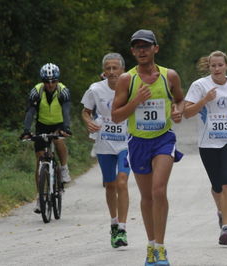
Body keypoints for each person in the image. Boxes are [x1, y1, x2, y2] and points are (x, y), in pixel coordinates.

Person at [111, 29, 184, 266]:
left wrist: (178, 110)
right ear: (132, 52)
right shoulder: (127, 79)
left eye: (146, 46)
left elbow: (180, 99)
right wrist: (136, 102)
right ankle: (151, 244)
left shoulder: (169, 76)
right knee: (146, 197)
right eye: (137, 47)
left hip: (163, 138)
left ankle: (161, 249)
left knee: (159, 191)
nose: (142, 51)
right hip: (138, 142)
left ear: (156, 48)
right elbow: (115, 116)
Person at [184, 50, 227, 246]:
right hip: (208, 143)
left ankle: (226, 227)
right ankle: (221, 211)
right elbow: (187, 113)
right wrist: (204, 100)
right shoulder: (200, 85)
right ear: (209, 67)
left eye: (220, 65)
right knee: (216, 186)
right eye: (213, 65)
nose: (216, 68)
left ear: (226, 66)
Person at [81, 53, 130, 248]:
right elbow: (85, 111)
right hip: (104, 142)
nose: (111, 72)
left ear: (122, 70)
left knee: (122, 182)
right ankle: (114, 223)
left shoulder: (131, 87)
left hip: (127, 142)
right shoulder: (95, 89)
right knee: (110, 185)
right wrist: (89, 122)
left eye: (115, 68)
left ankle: (123, 229)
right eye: (108, 68)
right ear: (104, 71)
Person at [20, 63, 72, 214]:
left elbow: (67, 111)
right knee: (40, 160)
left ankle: (63, 168)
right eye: (47, 81)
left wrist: (66, 128)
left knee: (58, 140)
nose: (50, 84)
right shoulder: (36, 91)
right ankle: (40, 196)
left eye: (53, 81)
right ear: (42, 81)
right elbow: (30, 112)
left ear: (57, 80)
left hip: (58, 123)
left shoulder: (63, 91)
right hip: (42, 124)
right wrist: (26, 131)